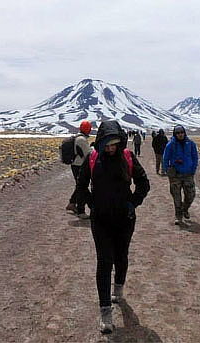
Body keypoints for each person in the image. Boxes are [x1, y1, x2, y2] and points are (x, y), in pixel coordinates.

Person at [76, 120, 150, 334]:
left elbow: (144, 183)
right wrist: (92, 204)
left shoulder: (127, 157)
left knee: (121, 256)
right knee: (104, 261)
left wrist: (132, 203)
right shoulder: (92, 158)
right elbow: (81, 186)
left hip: (124, 218)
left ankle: (119, 289)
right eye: (106, 145)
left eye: (114, 145)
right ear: (100, 142)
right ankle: (105, 311)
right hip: (100, 220)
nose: (110, 149)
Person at [162, 125, 199, 225]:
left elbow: (195, 157)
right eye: (178, 133)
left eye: (181, 132)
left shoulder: (190, 144)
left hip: (188, 174)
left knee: (191, 195)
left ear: (184, 133)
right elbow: (165, 158)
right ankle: (178, 216)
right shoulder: (171, 145)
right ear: (175, 134)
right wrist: (167, 170)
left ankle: (185, 209)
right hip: (175, 175)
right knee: (176, 196)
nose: (180, 134)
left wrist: (193, 169)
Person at [66, 120, 92, 219]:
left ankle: (72, 203)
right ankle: (81, 210)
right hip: (80, 166)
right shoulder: (81, 139)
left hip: (76, 165)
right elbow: (88, 154)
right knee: (82, 187)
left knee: (80, 186)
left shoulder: (77, 138)